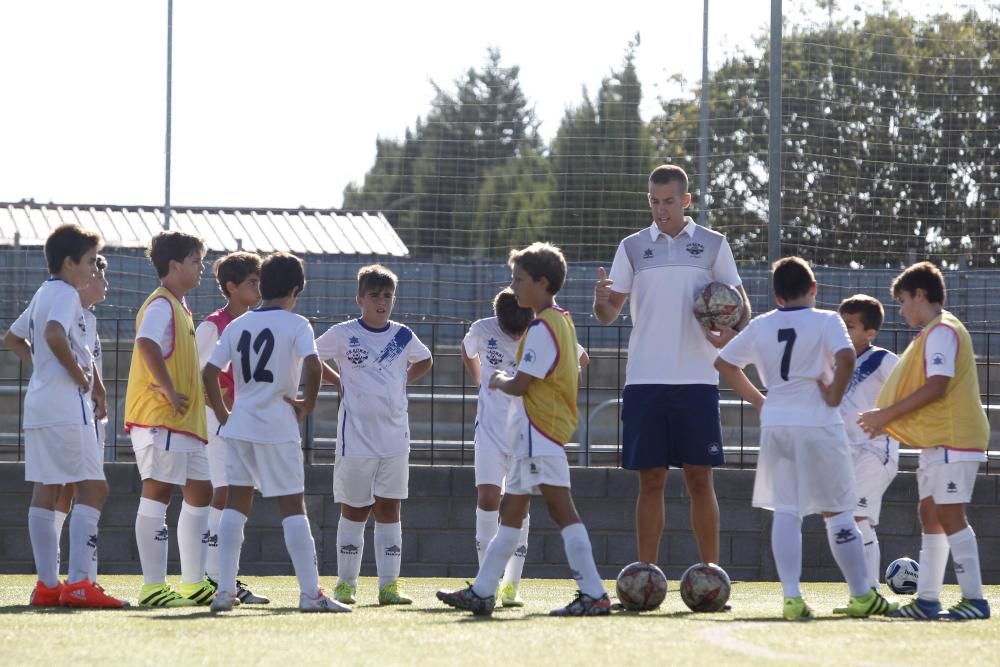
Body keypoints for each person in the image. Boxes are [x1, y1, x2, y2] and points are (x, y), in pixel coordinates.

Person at [715, 256, 896, 620]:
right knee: (840, 513)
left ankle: (792, 598)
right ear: (813, 289)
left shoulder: (762, 324)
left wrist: (761, 401)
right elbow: (846, 357)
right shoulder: (827, 319)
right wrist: (832, 396)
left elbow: (724, 363)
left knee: (786, 510)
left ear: (777, 294)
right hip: (819, 423)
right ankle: (862, 595)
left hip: (778, 422)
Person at [438, 242, 611, 617]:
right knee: (511, 514)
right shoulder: (561, 321)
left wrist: (497, 378)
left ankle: (594, 592)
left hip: (538, 434)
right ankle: (484, 590)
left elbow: (521, 384)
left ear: (542, 282)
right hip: (534, 435)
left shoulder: (542, 328)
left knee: (563, 512)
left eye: (519, 279)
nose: (513, 287)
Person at [593, 164, 750, 571]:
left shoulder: (714, 244)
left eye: (668, 202)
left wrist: (730, 330)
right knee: (651, 481)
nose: (660, 210)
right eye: (654, 201)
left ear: (685, 200)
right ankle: (645, 575)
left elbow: (741, 305)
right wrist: (600, 299)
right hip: (645, 380)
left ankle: (711, 574)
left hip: (698, 379)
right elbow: (609, 313)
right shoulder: (631, 246)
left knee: (701, 479)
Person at [205, 252, 350, 613]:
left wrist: (224, 414)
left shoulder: (236, 325)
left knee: (235, 506)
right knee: (292, 507)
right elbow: (315, 365)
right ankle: (311, 593)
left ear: (263, 285)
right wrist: (308, 403)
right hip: (277, 426)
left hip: (239, 426)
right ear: (296, 289)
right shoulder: (297, 324)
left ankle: (224, 591)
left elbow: (208, 372)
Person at [859, 261, 991, 621]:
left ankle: (975, 600)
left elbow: (938, 385)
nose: (901, 310)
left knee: (949, 513)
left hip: (954, 438)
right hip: (939, 441)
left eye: (903, 301)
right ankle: (928, 601)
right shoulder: (933, 332)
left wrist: (885, 416)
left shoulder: (942, 331)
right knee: (930, 512)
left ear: (921, 295)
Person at [3, 225, 125, 608]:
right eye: (90, 262)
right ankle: (79, 584)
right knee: (94, 488)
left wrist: (48, 367)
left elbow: (13, 337)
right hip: (65, 406)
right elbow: (55, 334)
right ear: (69, 263)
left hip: (41, 404)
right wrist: (77, 375)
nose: (94, 270)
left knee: (48, 489)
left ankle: (47, 586)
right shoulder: (67, 295)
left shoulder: (44, 291)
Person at [461, 288, 590, 607]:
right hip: (490, 430)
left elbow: (580, 359)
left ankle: (511, 585)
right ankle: (485, 583)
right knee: (489, 498)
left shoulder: (546, 330)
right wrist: (481, 382)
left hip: (532, 431)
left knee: (531, 506)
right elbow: (466, 351)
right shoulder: (482, 329)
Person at [315, 264, 433, 606]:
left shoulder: (402, 336)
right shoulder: (343, 334)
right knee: (354, 508)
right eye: (374, 296)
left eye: (387, 296)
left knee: (390, 508)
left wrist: (403, 382)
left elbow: (425, 360)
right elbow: (309, 356)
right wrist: (337, 380)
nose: (382, 302)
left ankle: (389, 586)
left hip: (395, 439)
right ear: (360, 299)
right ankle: (346, 584)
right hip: (356, 440)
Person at [124, 231, 214, 607]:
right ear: (174, 265)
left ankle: (193, 582)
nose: (201, 267)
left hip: (185, 424)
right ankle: (152, 586)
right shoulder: (161, 304)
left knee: (201, 490)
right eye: (196, 261)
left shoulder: (181, 306)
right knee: (158, 492)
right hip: (162, 419)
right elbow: (145, 343)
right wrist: (166, 388)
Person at [194, 251, 269, 605]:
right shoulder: (213, 325)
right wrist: (221, 409)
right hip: (219, 421)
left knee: (239, 495)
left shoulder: (257, 323)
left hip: (247, 422)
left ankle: (222, 576)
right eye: (252, 282)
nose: (259, 287)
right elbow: (199, 377)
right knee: (224, 494)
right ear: (231, 287)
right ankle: (214, 577)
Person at [53, 254, 111, 583]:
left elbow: (93, 366)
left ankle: (85, 575)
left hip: (89, 414)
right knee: (67, 488)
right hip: (71, 412)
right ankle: (62, 573)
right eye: (100, 276)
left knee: (85, 489)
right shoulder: (67, 311)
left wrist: (99, 394)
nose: (105, 284)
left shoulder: (90, 320)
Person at [835, 294, 900, 589]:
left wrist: (885, 418)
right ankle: (864, 589)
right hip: (845, 453)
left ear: (870, 333)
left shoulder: (883, 360)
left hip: (877, 451)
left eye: (849, 326)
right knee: (851, 520)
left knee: (858, 517)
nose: (842, 330)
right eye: (840, 324)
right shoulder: (836, 363)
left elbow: (910, 393)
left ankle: (869, 590)